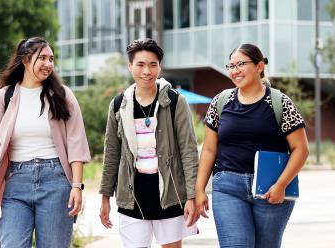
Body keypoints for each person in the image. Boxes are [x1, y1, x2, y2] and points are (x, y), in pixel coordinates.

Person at [0, 37, 91, 248]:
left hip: (56, 183)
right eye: (42, 58)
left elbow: (76, 144)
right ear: (25, 60)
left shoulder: (62, 95)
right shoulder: (4, 97)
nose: (48, 64)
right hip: (16, 184)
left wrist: (77, 186)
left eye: (51, 59)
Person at [195, 43, 309, 248]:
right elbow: (209, 150)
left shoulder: (280, 102)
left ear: (259, 66)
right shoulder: (220, 102)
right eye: (231, 66)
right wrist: (199, 189)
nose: (235, 70)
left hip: (270, 189)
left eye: (241, 64)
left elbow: (301, 149)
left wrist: (281, 185)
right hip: (228, 187)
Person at [99, 38, 199, 248]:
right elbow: (111, 154)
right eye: (140, 64)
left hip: (169, 191)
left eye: (153, 64)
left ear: (160, 66)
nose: (147, 71)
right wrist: (105, 196)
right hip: (132, 193)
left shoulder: (174, 101)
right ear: (130, 66)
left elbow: (189, 151)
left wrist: (192, 196)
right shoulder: (119, 104)